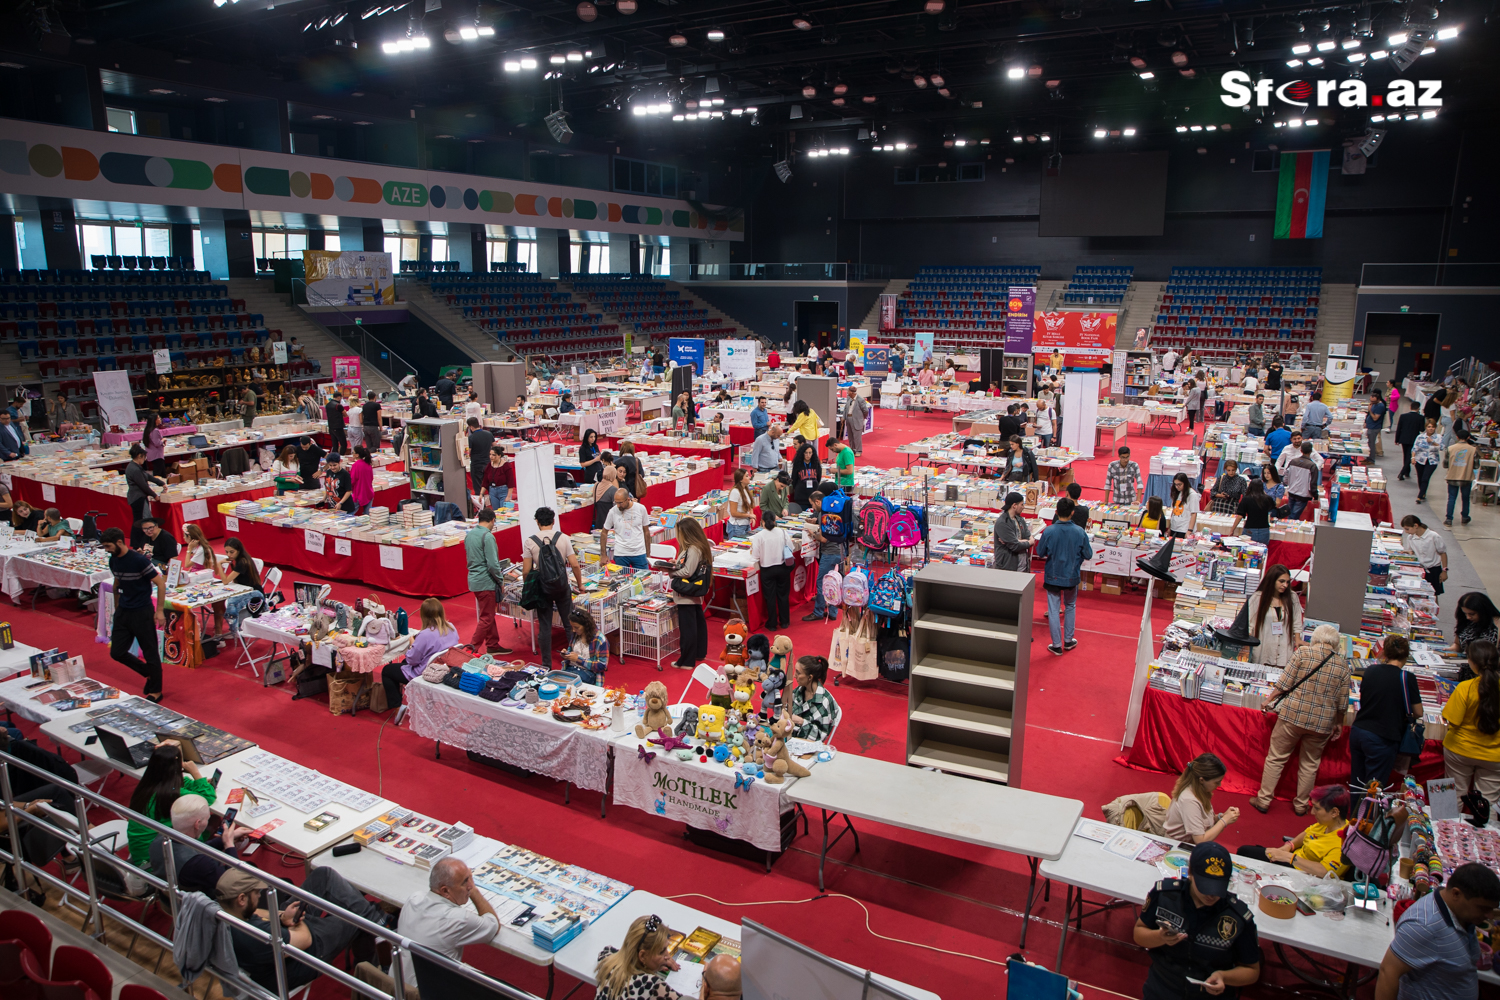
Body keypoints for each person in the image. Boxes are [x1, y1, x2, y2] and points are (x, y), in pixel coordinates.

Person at [220, 866, 392, 994]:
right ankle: (372, 979)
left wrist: (282, 917)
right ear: (241, 899)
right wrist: (295, 921)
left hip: (287, 934)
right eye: (255, 893)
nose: (259, 895)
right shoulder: (255, 936)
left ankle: (377, 920)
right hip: (308, 951)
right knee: (356, 917)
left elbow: (258, 911)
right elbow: (304, 940)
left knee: (323, 875)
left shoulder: (222, 911)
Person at [1134, 841, 1260, 1000]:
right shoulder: (1165, 895)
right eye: (1205, 887)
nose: (1211, 895)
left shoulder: (1237, 916)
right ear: (1191, 874)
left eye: (1217, 888)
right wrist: (1160, 937)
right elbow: (1139, 933)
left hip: (1209, 995)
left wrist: (1224, 976)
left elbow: (1252, 970)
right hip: (1164, 987)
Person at [1251, 624, 1351, 814]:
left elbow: (1284, 683)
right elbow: (1342, 702)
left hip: (1292, 715)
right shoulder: (1343, 665)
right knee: (1310, 765)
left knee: (1276, 758)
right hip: (1321, 723)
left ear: (1315, 638)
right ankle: (1301, 805)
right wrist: (1339, 723)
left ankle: (1263, 799)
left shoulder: (1302, 654)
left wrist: (1268, 700)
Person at [1376, 861, 1500, 1000]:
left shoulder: (1462, 916)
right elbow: (1388, 973)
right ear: (1456, 894)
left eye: (1492, 909)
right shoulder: (1424, 925)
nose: (1489, 916)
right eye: (1483, 909)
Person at [395, 856, 499, 986]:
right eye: (465, 882)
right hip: (425, 994)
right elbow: (493, 924)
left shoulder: (414, 898)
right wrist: (474, 891)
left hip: (395, 986)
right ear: (445, 891)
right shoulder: (457, 918)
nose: (470, 885)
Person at [102, 526, 167, 701]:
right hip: (124, 611)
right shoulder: (113, 560)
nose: (107, 550)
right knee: (116, 652)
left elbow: (160, 584)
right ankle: (148, 672)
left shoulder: (139, 560)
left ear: (119, 542)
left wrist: (159, 611)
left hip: (142, 611)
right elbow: (117, 583)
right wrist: (117, 609)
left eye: (108, 546)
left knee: (150, 651)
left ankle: (156, 690)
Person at [126, 740, 216, 868]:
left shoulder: (147, 785)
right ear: (178, 767)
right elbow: (206, 799)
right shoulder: (171, 794)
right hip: (156, 862)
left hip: (141, 854)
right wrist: (195, 773)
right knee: (209, 820)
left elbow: (182, 783)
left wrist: (198, 782)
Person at [1349, 635, 1422, 791]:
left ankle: (1355, 813)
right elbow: (1418, 712)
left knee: (1357, 782)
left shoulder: (1371, 670)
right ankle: (1367, 815)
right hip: (1383, 737)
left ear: (1385, 653)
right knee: (1374, 788)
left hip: (1359, 730)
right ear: (1406, 655)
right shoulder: (1407, 678)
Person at [1238, 785, 1351, 876]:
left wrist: (1288, 857)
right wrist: (1288, 846)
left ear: (1334, 812)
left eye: (1317, 808)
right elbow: (1306, 834)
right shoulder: (1327, 823)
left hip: (1304, 874)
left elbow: (1325, 872)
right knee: (1244, 852)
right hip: (1292, 860)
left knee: (1248, 864)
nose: (1312, 813)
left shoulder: (1344, 843)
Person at [523, 507, 585, 672]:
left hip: (543, 588)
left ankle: (546, 665)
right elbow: (574, 564)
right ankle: (573, 659)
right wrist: (579, 585)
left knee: (544, 625)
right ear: (553, 521)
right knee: (569, 624)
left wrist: (528, 587)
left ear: (537, 522)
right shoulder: (563, 538)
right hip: (562, 586)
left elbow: (526, 571)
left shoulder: (530, 542)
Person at [382, 597, 462, 723]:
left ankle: (397, 706)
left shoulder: (425, 635)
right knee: (401, 665)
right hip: (445, 667)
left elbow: (412, 660)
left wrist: (412, 644)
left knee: (387, 670)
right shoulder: (451, 627)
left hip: (426, 671)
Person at [1442, 640, 1500, 808]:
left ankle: (1446, 831)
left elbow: (1453, 720)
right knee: (1487, 803)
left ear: (1473, 663)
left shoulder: (1465, 688)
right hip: (1495, 755)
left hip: (1460, 750)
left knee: (1452, 797)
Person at [149, 793, 246, 893]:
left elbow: (194, 850)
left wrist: (223, 840)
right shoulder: (199, 863)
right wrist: (229, 845)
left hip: (168, 894)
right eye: (207, 819)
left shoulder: (159, 839)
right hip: (197, 903)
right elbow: (235, 882)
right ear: (197, 824)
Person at [1035, 497, 1092, 656]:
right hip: (1071, 576)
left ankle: (1057, 644)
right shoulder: (1079, 532)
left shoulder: (1050, 531)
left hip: (1053, 575)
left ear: (1056, 512)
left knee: (1053, 610)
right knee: (1070, 605)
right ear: (1072, 513)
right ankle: (1068, 640)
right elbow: (1088, 554)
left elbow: (1040, 552)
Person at [595, 914, 688, 1000]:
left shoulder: (608, 962)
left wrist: (653, 961)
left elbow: (607, 950)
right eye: (661, 952)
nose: (668, 956)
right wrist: (703, 980)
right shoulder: (651, 984)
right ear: (642, 956)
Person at [463, 510, 513, 655]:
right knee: (486, 617)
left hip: (474, 580)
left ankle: (492, 644)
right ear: (492, 520)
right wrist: (500, 580)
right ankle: (470, 649)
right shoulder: (488, 536)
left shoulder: (470, 535)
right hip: (486, 582)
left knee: (487, 613)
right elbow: (493, 564)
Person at [1164, 753, 1240, 845]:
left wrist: (1220, 817)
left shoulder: (1200, 791)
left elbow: (1203, 822)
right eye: (1217, 782)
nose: (1219, 785)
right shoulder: (1189, 800)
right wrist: (1225, 821)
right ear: (1201, 780)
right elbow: (1200, 841)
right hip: (1178, 847)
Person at [670, 518, 713, 668]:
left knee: (687, 629)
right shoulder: (696, 548)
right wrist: (675, 564)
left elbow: (688, 571)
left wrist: (672, 572)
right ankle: (698, 653)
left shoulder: (693, 549)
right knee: (696, 626)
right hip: (692, 595)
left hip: (686, 596)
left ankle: (687, 660)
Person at [1244, 564, 1302, 667]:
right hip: (1263, 649)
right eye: (1281, 581)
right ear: (1272, 580)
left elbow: (1297, 621)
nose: (1285, 585)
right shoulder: (1258, 598)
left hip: (1284, 652)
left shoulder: (1292, 597)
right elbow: (1249, 623)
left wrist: (1297, 639)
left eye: (1288, 582)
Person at [752, 513, 792, 630]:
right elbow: (790, 547)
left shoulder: (759, 536)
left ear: (762, 521)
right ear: (775, 521)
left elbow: (755, 556)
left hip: (767, 569)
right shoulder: (782, 532)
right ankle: (785, 621)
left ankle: (772, 623)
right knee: (783, 595)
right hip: (782, 567)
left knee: (770, 597)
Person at [788, 655, 837, 741]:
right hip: (790, 738)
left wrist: (801, 722)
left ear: (810, 677)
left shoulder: (824, 702)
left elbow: (820, 737)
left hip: (808, 746)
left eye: (798, 673)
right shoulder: (797, 692)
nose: (794, 676)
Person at [601, 487, 652, 570]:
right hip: (621, 553)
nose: (618, 505)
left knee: (643, 580)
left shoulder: (641, 508)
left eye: (620, 503)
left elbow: (646, 531)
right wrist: (603, 555)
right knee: (622, 581)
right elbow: (604, 532)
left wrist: (648, 553)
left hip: (639, 552)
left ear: (628, 499)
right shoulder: (612, 511)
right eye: (616, 502)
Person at [124, 444, 164, 548]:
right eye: (144, 457)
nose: (145, 459)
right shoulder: (135, 469)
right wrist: (155, 495)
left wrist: (160, 482)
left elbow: (147, 476)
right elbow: (143, 485)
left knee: (138, 521)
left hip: (135, 497)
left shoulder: (133, 466)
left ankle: (137, 544)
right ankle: (139, 544)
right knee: (142, 521)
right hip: (138, 498)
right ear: (139, 456)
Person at [1400, 514, 1448, 596]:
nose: (1406, 532)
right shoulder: (1410, 538)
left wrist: (1444, 571)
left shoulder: (1434, 536)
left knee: (1433, 595)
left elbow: (1443, 553)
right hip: (1419, 569)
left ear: (1416, 525)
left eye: (1407, 529)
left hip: (1433, 570)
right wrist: (1408, 553)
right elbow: (1412, 551)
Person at [562, 607, 609, 685]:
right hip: (571, 669)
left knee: (569, 685)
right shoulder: (575, 634)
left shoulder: (600, 640)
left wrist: (579, 660)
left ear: (585, 626)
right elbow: (570, 650)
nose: (573, 630)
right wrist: (566, 654)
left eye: (576, 627)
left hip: (588, 674)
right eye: (572, 627)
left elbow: (602, 666)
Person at [1445, 427, 1478, 527]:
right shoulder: (1473, 450)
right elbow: (1476, 465)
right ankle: (1464, 517)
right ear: (1468, 437)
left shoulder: (1450, 449)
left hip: (1452, 476)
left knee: (1451, 498)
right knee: (1465, 498)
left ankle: (1449, 519)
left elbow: (1445, 464)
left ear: (1457, 437)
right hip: (1466, 477)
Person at [992, 492, 1032, 572]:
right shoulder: (1002, 523)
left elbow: (1028, 535)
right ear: (1014, 505)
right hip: (1008, 567)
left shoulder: (1020, 519)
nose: (1023, 507)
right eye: (1021, 505)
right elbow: (1015, 546)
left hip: (1022, 565)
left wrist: (1018, 541)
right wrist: (1030, 542)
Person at [1281, 442, 1321, 520]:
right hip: (1303, 495)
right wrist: (1315, 496)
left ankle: (1287, 528)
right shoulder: (1312, 466)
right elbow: (1313, 483)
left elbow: (1286, 475)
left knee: (1290, 514)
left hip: (1292, 492)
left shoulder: (1293, 461)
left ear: (1301, 450)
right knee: (1294, 516)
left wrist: (1288, 485)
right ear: (1311, 451)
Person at [1233, 479, 1278, 545]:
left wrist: (1232, 530)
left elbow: (1240, 516)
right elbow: (1273, 507)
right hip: (1264, 529)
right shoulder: (1268, 499)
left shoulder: (1246, 499)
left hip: (1250, 528)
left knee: (1248, 551)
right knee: (1262, 551)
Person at [1410, 416, 1444, 503]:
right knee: (1420, 477)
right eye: (1429, 427)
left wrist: (1432, 442)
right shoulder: (1420, 437)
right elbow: (1415, 448)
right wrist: (1413, 457)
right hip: (1420, 459)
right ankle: (1423, 491)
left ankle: (1420, 496)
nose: (1431, 429)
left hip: (1432, 461)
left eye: (1432, 427)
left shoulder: (1439, 437)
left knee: (1425, 477)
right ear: (1426, 427)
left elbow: (1441, 447)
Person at [1393, 400, 1424, 481]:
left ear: (1410, 407)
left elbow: (1399, 428)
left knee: (1405, 455)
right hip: (1414, 439)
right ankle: (1402, 472)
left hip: (1403, 438)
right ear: (1418, 408)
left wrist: (1397, 439)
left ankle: (1407, 471)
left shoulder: (1403, 416)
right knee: (1409, 456)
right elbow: (1422, 429)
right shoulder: (1420, 418)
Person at [789, 442, 821, 513]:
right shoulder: (798, 464)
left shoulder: (816, 463)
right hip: (801, 496)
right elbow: (794, 479)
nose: (808, 455)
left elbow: (818, 477)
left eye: (810, 453)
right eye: (806, 453)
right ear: (802, 453)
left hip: (813, 495)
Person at [1166, 473, 1198, 538]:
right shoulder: (1177, 493)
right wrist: (1170, 527)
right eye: (1175, 484)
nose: (1177, 486)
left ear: (1185, 483)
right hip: (1174, 527)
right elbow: (1174, 510)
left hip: (1184, 529)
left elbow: (1194, 513)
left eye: (1179, 484)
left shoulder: (1192, 494)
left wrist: (1189, 530)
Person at [726, 468, 755, 539]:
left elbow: (749, 505)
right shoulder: (735, 492)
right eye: (747, 476)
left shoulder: (745, 489)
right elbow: (733, 513)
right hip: (737, 526)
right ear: (741, 479)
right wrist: (749, 515)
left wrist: (751, 516)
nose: (749, 477)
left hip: (746, 524)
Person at [592, 465, 621, 530]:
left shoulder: (596, 485)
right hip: (609, 522)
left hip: (599, 520)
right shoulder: (613, 489)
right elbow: (616, 508)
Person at [349, 446, 375, 515]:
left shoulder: (355, 465)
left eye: (353, 453)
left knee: (350, 514)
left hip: (359, 493)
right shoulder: (368, 464)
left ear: (357, 455)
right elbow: (371, 478)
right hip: (368, 492)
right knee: (368, 515)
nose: (352, 454)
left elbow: (352, 480)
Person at [141, 410, 167, 477]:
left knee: (162, 472)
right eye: (158, 418)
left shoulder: (148, 429)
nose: (160, 419)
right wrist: (163, 440)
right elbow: (157, 443)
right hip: (157, 455)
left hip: (152, 454)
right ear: (154, 420)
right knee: (158, 473)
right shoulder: (155, 430)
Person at [1366, 391, 1388, 458]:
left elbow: (1375, 418)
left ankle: (1371, 459)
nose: (1371, 403)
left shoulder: (1380, 406)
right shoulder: (1374, 404)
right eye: (1370, 401)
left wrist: (1370, 411)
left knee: (1372, 444)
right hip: (1370, 426)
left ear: (1378, 399)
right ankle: (1369, 458)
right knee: (1369, 443)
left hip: (1374, 427)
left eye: (1373, 402)